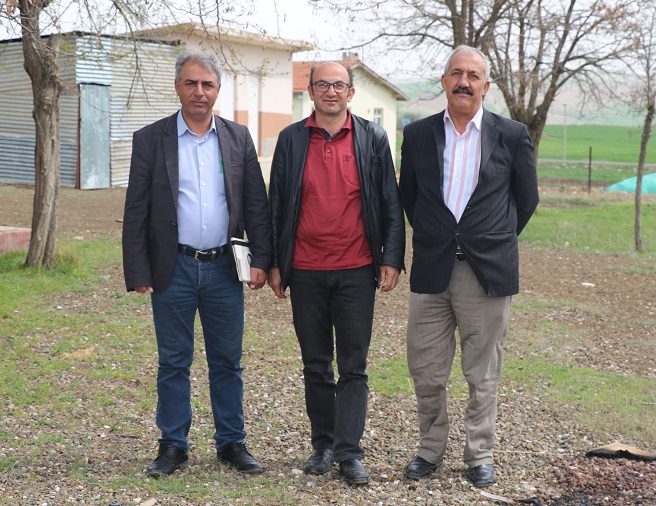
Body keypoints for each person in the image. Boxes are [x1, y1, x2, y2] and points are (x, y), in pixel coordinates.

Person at [122, 49, 272, 478]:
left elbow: (256, 205)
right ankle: (173, 445)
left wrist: (262, 259)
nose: (199, 91)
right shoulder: (150, 139)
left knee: (227, 361)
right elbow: (137, 209)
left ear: (218, 90)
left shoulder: (238, 138)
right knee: (173, 361)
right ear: (177, 87)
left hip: (225, 267)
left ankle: (231, 442)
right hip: (174, 267)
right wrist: (138, 270)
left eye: (207, 84)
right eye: (191, 83)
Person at [398, 45, 539, 488]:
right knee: (426, 369)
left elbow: (526, 199)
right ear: (444, 81)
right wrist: (439, 235)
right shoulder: (417, 135)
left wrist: (490, 237)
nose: (464, 82)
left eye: (473, 75)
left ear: (486, 86)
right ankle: (429, 449)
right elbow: (409, 198)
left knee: (483, 372)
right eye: (456, 73)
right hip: (432, 269)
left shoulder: (511, 135)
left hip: (487, 272)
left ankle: (480, 454)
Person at [267, 61, 405, 485]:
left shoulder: (372, 137)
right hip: (305, 269)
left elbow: (390, 200)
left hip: (356, 269)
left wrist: (392, 257)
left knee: (354, 365)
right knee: (315, 364)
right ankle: (323, 445)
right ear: (310, 91)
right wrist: (275, 263)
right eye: (323, 84)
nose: (331, 91)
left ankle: (349, 453)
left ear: (351, 92)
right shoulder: (291, 139)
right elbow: (276, 204)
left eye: (339, 85)